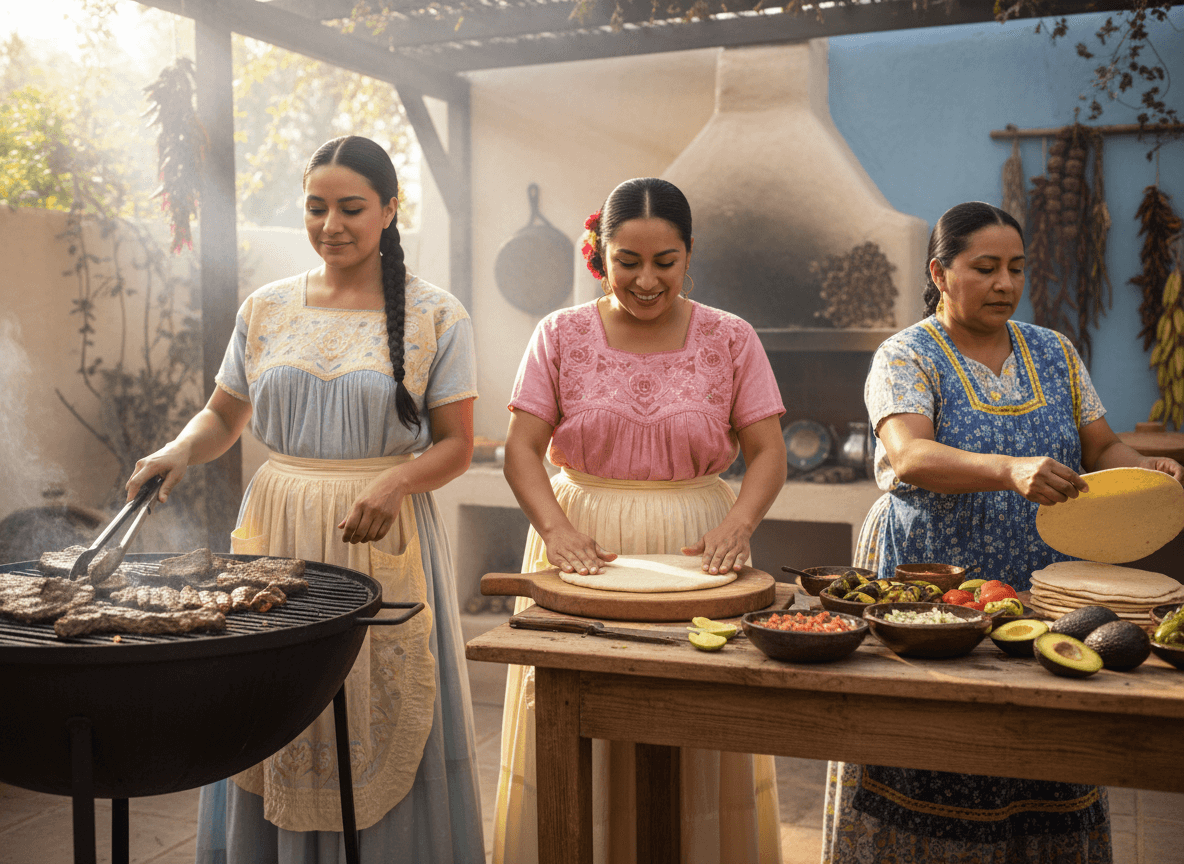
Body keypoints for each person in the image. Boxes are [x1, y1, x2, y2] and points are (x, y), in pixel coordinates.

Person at [126, 136, 485, 863]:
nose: (332, 225)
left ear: (390, 208)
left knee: (375, 705)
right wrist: (175, 451)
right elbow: (225, 416)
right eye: (316, 208)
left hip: (380, 535)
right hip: (277, 530)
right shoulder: (266, 308)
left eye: (352, 208)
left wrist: (395, 481)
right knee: (267, 706)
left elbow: (456, 444)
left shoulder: (436, 315)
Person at [821, 201, 1184, 864]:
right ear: (940, 271)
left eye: (1016, 268)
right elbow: (910, 456)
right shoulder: (906, 355)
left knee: (1045, 747)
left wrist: (1146, 472)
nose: (1005, 284)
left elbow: (1100, 448)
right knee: (933, 750)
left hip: (1044, 579)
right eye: (985, 268)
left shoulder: (1053, 351)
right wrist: (1009, 469)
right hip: (933, 588)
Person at [493, 177, 789, 864]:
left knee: (694, 728)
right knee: (574, 720)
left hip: (699, 554)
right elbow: (521, 450)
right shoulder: (560, 334)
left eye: (665, 261)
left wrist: (739, 523)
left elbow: (769, 452)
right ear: (599, 253)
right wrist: (557, 529)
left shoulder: (731, 337)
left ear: (689, 256)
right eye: (629, 261)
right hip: (581, 550)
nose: (647, 279)